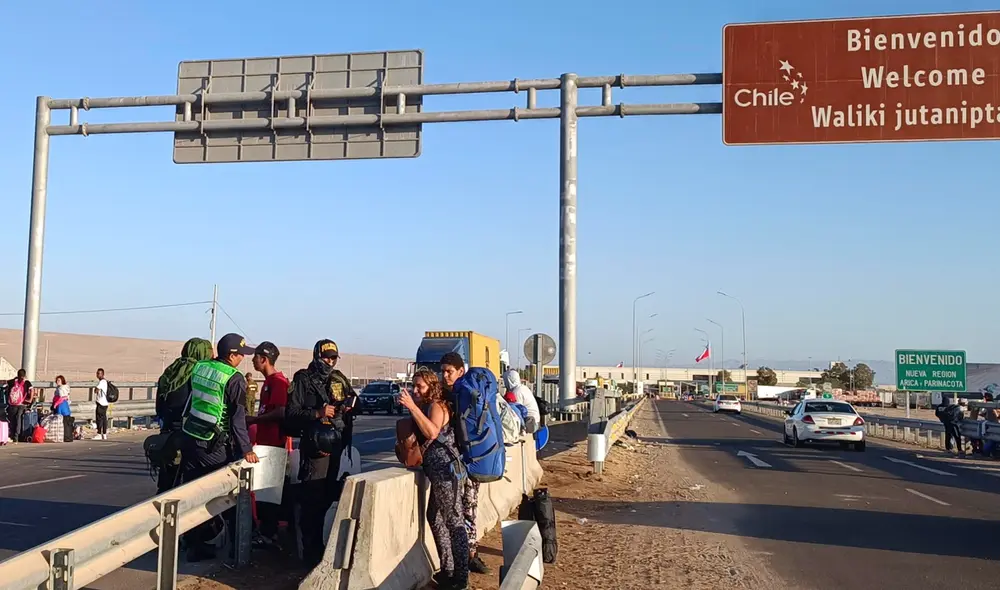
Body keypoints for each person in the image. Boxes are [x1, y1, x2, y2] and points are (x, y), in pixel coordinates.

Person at [179, 333, 259, 562]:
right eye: (241, 354)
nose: (243, 358)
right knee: (228, 494)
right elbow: (237, 419)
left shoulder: (200, 367)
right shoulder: (234, 378)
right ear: (231, 355)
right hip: (214, 444)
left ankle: (194, 545)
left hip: (190, 437)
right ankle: (237, 548)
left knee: (193, 494)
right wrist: (247, 449)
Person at [285, 339, 356, 566]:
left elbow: (355, 400)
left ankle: (323, 549)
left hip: (335, 447)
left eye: (333, 358)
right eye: (326, 357)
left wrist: (349, 406)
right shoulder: (302, 379)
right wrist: (318, 413)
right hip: (314, 450)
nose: (330, 362)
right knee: (312, 502)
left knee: (328, 498)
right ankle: (310, 554)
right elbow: (291, 414)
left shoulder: (339, 378)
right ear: (317, 356)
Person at [399, 369, 468, 590]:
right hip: (437, 472)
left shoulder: (437, 406)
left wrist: (412, 407)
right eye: (414, 386)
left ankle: (461, 578)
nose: (415, 390)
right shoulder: (428, 406)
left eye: (420, 386)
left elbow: (432, 432)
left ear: (431, 386)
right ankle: (448, 570)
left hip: (446, 471)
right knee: (435, 518)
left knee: (454, 522)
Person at [440, 352, 490, 576]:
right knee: (462, 509)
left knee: (467, 508)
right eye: (443, 371)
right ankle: (467, 555)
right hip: (460, 461)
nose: (445, 376)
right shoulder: (452, 395)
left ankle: (469, 555)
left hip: (467, 461)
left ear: (461, 371)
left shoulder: (463, 394)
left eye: (449, 371)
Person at [154, 338, 213, 492]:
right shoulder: (200, 374)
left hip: (167, 432)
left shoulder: (170, 371)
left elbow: (159, 407)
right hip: (189, 433)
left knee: (167, 480)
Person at [247, 341, 290, 546]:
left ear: (263, 359)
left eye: (255, 357)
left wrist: (255, 420)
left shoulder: (278, 382)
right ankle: (267, 532)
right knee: (263, 491)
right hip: (264, 443)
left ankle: (269, 534)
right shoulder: (267, 383)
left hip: (273, 444)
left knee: (269, 493)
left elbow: (281, 412)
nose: (252, 360)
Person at [502, 369, 541, 434]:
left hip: (530, 423)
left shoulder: (516, 392)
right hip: (535, 421)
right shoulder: (523, 387)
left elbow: (516, 413)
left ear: (509, 381)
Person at [6, 369, 33, 444]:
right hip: (22, 404)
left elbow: (6, 384)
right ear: (24, 375)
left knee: (12, 420)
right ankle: (17, 437)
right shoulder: (27, 382)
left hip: (13, 404)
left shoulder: (13, 381)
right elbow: (32, 390)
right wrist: (30, 399)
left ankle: (12, 435)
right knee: (19, 418)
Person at [94, 368, 110, 440]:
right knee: (103, 418)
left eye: (99, 373)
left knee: (99, 419)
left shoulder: (102, 382)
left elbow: (96, 390)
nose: (98, 375)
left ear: (103, 374)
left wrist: (96, 389)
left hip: (101, 403)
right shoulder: (105, 382)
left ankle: (99, 434)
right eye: (97, 373)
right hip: (105, 403)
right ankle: (104, 434)